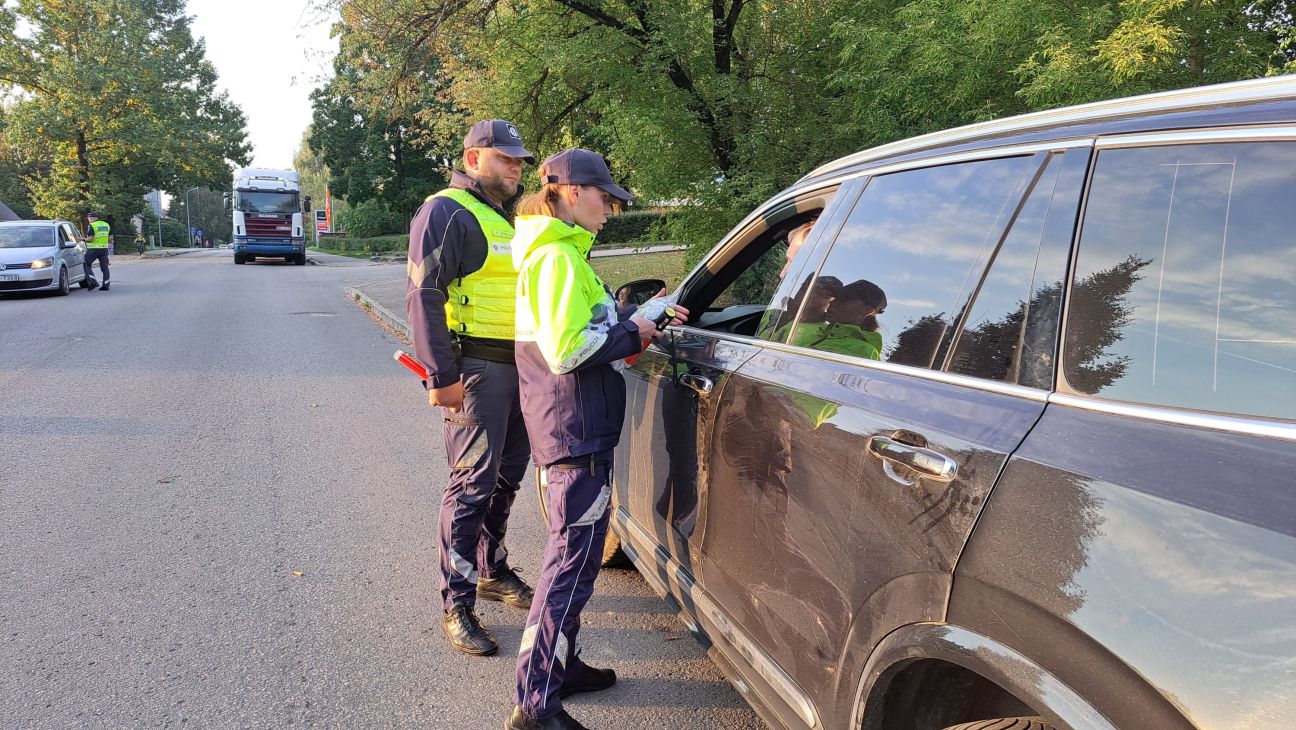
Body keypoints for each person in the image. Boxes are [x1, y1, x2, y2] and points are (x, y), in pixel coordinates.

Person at [506, 149, 688, 730]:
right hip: (574, 429)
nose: (611, 209)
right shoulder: (556, 257)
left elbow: (587, 323)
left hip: (573, 424)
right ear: (567, 191)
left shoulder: (557, 253)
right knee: (569, 564)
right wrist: (635, 329)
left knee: (578, 562)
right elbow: (568, 351)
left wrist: (642, 313)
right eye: (604, 198)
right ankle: (535, 703)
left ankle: (563, 665)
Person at [406, 119, 538, 657]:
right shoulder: (445, 210)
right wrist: (442, 376)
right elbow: (423, 292)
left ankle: (490, 569)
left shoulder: (504, 218)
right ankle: (456, 602)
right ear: (473, 157)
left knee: (507, 478)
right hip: (478, 373)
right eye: (505, 157)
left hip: (523, 371)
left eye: (519, 159)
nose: (516, 166)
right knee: (472, 485)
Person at [82, 212, 112, 291]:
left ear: (91, 218)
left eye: (88, 218)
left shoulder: (92, 225)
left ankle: (93, 282)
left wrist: (83, 239)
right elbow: (111, 238)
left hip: (93, 249)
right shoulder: (106, 225)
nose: (88, 220)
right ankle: (106, 285)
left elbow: (90, 239)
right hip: (104, 249)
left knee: (86, 264)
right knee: (104, 267)